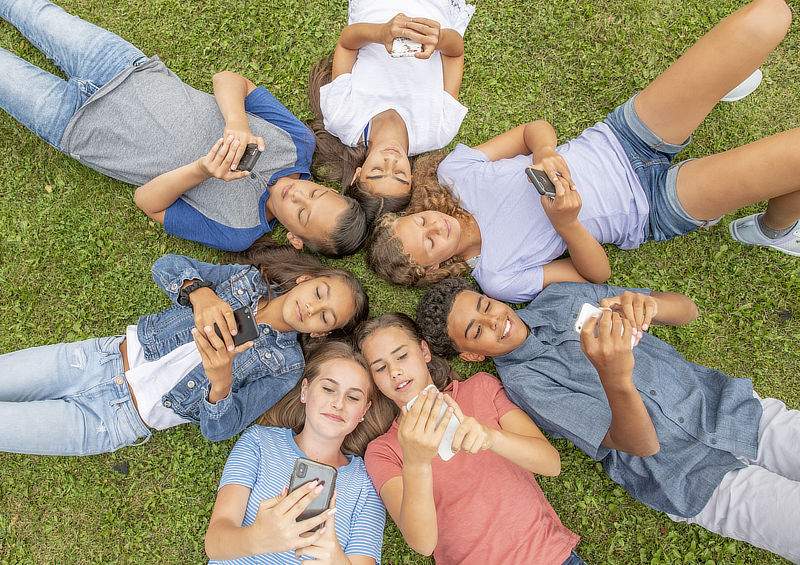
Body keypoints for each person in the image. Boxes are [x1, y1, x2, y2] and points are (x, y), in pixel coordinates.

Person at [366, 0, 800, 302]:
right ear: (436, 269)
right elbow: (596, 275)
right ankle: (770, 230)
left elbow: (531, 131)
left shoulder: (454, 175)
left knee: (769, 16)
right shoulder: (498, 276)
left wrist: (546, 154)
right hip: (650, 207)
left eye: (420, 220)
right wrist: (567, 224)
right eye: (428, 242)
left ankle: (716, 84)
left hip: (622, 138)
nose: (434, 225)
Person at [416, 277, 800, 563]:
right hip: (689, 476)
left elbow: (688, 310)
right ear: (471, 356)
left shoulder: (563, 297)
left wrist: (652, 307)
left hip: (732, 411)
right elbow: (641, 446)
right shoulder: (525, 387)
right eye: (477, 330)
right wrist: (614, 376)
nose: (495, 320)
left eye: (486, 306)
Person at [0, 0, 368, 257]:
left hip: (79, 127)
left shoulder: (237, 230)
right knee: (29, 9)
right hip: (123, 67)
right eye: (315, 195)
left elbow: (147, 202)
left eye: (302, 215)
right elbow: (228, 78)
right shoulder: (297, 143)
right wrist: (236, 123)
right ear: (323, 185)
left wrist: (202, 171)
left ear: (295, 239)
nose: (296, 196)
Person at [0, 243, 369, 455]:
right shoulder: (246, 280)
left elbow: (219, 429)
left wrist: (220, 382)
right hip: (95, 360)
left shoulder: (286, 367)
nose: (313, 309)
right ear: (307, 279)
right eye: (319, 294)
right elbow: (166, 266)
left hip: (111, 420)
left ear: (322, 334)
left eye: (326, 317)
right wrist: (200, 293)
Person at [355, 313, 585, 565]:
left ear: (424, 351)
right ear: (374, 380)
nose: (395, 371)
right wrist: (416, 463)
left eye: (402, 356)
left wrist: (491, 437)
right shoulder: (383, 451)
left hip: (551, 557)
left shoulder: (480, 388)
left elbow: (551, 464)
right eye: (380, 367)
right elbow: (422, 544)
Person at [204, 340, 387, 564]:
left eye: (353, 397)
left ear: (364, 411)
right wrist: (258, 538)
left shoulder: (366, 485)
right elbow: (214, 542)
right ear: (305, 391)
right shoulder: (259, 442)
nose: (338, 403)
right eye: (328, 388)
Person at [307, 0, 475, 216]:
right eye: (400, 174)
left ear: (357, 174)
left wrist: (381, 32)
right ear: (412, 179)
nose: (391, 161)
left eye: (377, 171)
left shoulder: (342, 117)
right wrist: (439, 38)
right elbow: (455, 53)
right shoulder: (438, 132)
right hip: (436, 10)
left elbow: (346, 43)